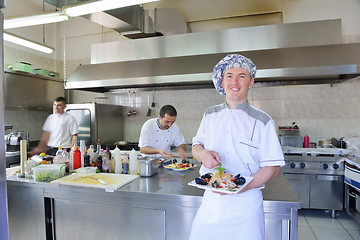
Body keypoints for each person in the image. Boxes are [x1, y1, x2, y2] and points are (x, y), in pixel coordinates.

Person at [189, 54, 285, 240]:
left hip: (245, 206)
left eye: (242, 76)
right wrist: (203, 154)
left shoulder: (262, 121)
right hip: (211, 201)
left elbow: (272, 168)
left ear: (251, 82)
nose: (235, 81)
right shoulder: (210, 114)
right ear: (222, 81)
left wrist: (239, 187)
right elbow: (196, 146)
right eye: (229, 75)